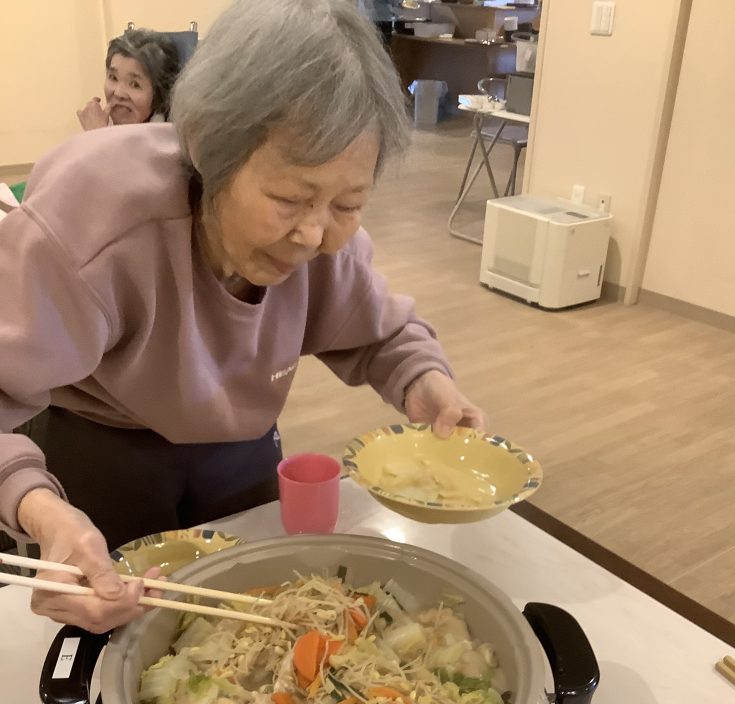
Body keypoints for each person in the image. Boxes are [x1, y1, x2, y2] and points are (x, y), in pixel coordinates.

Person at [0, 0, 484, 635]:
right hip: (100, 444)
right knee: (111, 630)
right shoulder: (92, 222)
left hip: (238, 447)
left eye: (348, 203)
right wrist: (37, 509)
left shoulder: (322, 239)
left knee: (252, 627)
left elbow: (382, 331)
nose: (313, 234)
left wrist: (425, 381)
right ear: (206, 145)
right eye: (289, 197)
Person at [77, 28, 181, 131]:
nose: (118, 93)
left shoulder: (166, 139)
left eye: (135, 84)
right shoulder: (106, 126)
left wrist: (96, 133)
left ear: (159, 96)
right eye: (113, 77)